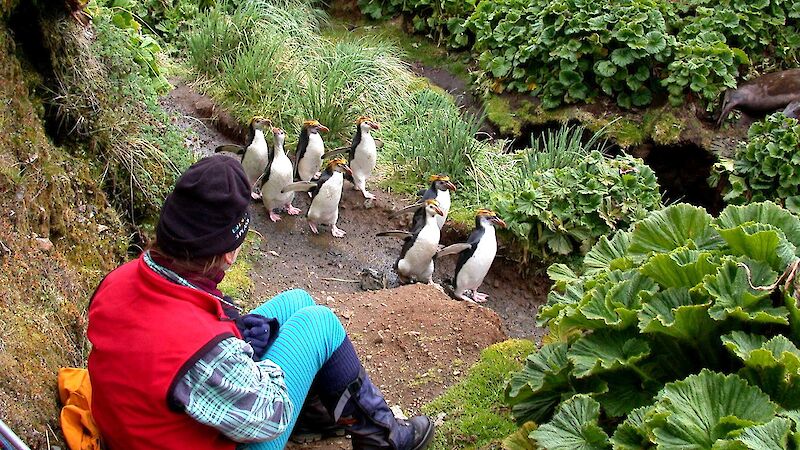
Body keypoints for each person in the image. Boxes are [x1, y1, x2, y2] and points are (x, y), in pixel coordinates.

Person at [86, 155, 434, 450]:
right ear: (226, 254)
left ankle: (316, 414)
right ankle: (384, 438)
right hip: (202, 430)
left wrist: (237, 339)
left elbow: (167, 342)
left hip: (138, 426)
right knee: (319, 324)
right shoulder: (204, 352)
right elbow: (272, 414)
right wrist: (250, 363)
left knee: (296, 302)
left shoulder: (118, 281)